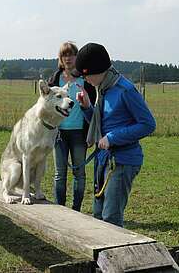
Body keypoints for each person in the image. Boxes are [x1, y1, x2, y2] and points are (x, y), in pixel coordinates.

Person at [75, 42, 156, 227]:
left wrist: (113, 137)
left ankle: (114, 256)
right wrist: (87, 107)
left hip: (123, 160)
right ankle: (100, 257)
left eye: (86, 75)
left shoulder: (125, 90)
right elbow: (102, 126)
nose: (85, 79)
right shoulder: (103, 89)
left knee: (111, 217)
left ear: (98, 70)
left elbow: (148, 124)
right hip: (103, 160)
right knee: (97, 214)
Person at [48, 42, 96, 211]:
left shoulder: (86, 81)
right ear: (60, 59)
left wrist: (91, 134)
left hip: (79, 134)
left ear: (77, 57)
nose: (68, 58)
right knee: (59, 175)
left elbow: (92, 111)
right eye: (64, 55)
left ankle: (76, 210)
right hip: (59, 134)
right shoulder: (54, 79)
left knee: (79, 174)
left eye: (71, 55)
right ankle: (60, 210)